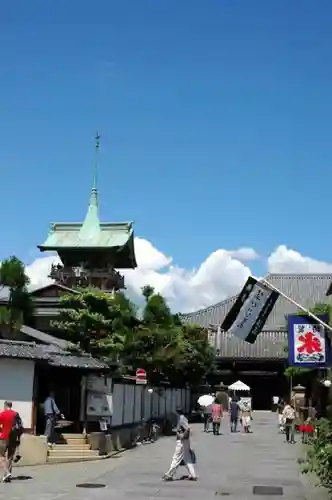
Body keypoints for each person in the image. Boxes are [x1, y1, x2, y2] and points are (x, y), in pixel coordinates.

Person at [163, 409, 197, 481]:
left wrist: (182, 436)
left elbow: (187, 429)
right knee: (187, 459)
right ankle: (193, 475)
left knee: (176, 457)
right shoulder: (182, 419)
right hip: (185, 441)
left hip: (182, 442)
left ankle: (169, 474)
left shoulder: (181, 419)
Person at [0, 401, 23, 483]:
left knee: (1, 456)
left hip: (4, 437)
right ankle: (7, 477)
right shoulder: (16, 414)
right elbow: (20, 427)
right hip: (13, 438)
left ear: (5, 405)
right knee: (10, 457)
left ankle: (6, 472)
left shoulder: (2, 414)